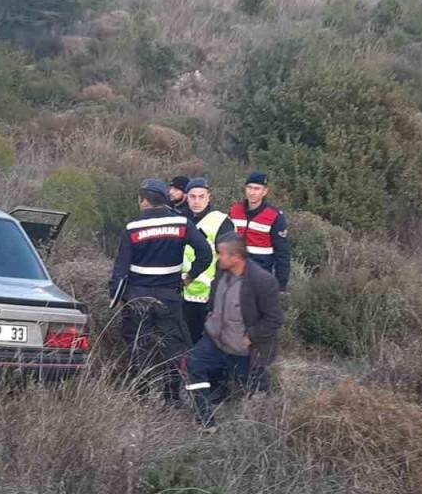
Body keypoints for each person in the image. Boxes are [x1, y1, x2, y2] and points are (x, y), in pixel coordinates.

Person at [109, 178, 212, 399]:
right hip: (170, 296)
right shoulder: (183, 223)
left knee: (139, 346)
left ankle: (142, 394)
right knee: (174, 347)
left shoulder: (132, 228)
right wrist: (189, 277)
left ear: (144, 201)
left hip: (137, 296)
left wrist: (116, 298)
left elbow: (120, 269)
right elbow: (206, 253)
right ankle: (171, 395)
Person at [184, 233, 285, 427]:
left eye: (221, 253)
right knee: (194, 366)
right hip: (214, 340)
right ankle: (205, 421)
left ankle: (268, 423)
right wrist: (211, 319)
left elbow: (275, 319)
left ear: (236, 256)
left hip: (243, 348)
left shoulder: (262, 281)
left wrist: (251, 337)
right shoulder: (221, 270)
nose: (217, 257)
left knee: (257, 390)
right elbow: (215, 298)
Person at [179, 178, 234, 343]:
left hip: (211, 295)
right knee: (187, 340)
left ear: (209, 197)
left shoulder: (221, 222)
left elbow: (230, 260)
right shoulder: (180, 219)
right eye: (192, 196)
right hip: (184, 293)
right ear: (186, 197)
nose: (196, 201)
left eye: (201, 197)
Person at [228, 171, 291, 292]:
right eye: (249, 188)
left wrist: (280, 285)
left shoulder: (274, 216)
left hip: (260, 276)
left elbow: (282, 254)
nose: (252, 192)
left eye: (257, 189)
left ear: (265, 191)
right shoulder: (235, 210)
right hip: (234, 274)